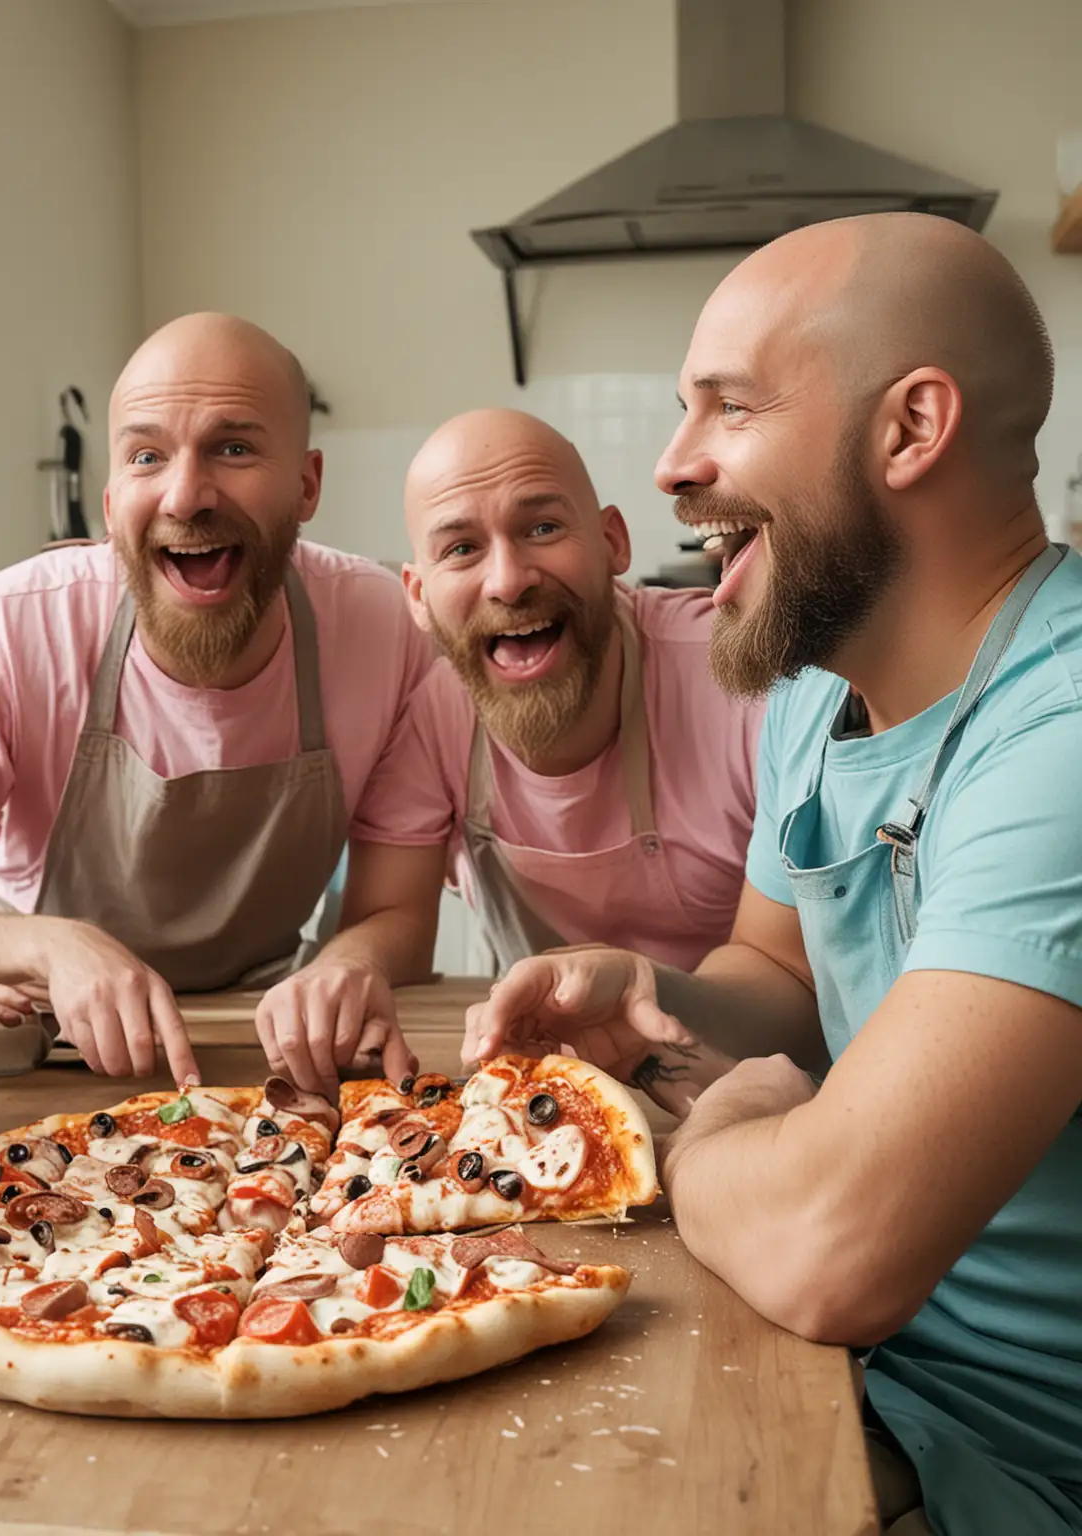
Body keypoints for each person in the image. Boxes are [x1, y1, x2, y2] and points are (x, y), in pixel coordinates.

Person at [465, 213, 1082, 1535]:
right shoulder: (813, 689)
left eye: (727, 410)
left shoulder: (1066, 732)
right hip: (850, 1370)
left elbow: (829, 1248)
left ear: (911, 431)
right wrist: (650, 993)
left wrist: (711, 1138)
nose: (674, 467)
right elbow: (783, 970)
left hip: (1015, 1459)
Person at [0, 313, 434, 1091]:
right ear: (113, 493)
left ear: (307, 484)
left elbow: (400, 913)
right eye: (148, 455)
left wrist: (350, 964)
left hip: (264, 1044)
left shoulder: (384, 627)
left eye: (233, 448)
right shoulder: (11, 628)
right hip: (33, 1030)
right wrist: (45, 950)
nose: (186, 495)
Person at [255, 408, 765, 1101]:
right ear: (418, 598)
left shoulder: (735, 683)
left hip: (752, 1083)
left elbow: (793, 974)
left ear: (613, 541)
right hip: (548, 1095)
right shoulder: (432, 712)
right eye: (461, 549)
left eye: (543, 529)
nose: (508, 580)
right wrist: (345, 966)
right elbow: (391, 915)